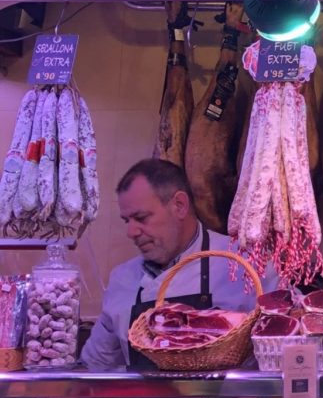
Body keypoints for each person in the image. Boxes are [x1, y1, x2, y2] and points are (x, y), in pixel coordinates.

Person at [80, 158, 265, 371]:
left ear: (179, 206)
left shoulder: (244, 264)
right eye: (126, 221)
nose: (131, 232)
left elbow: (284, 355)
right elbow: (94, 367)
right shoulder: (122, 278)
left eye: (141, 218)